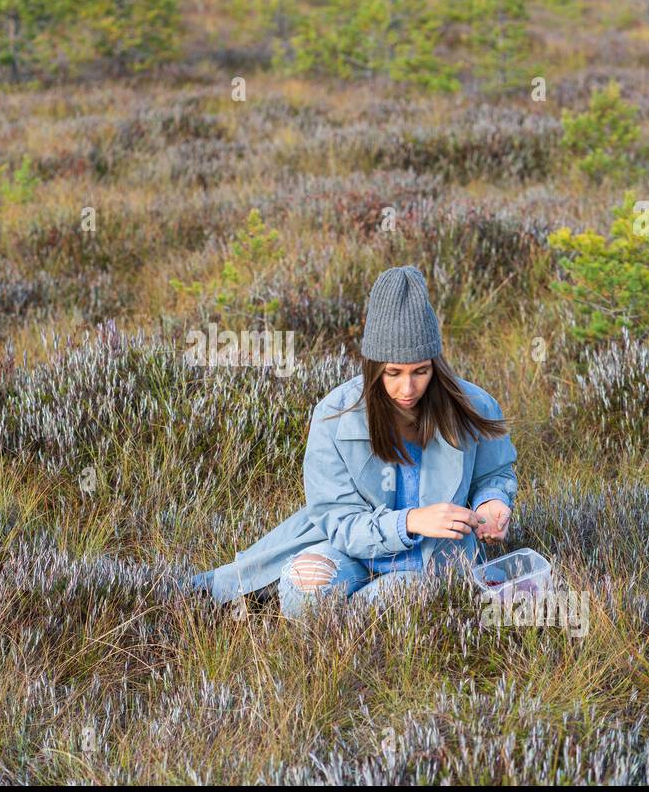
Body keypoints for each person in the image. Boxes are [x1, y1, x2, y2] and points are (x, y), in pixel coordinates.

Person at [190, 265, 518, 618]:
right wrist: (409, 521)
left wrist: (492, 502)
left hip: (433, 563)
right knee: (305, 589)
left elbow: (494, 473)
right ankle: (321, 606)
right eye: (393, 373)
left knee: (383, 611)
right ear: (373, 365)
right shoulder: (334, 415)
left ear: (435, 365)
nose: (407, 389)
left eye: (421, 371)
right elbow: (339, 520)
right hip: (351, 552)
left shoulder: (474, 405)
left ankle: (350, 617)